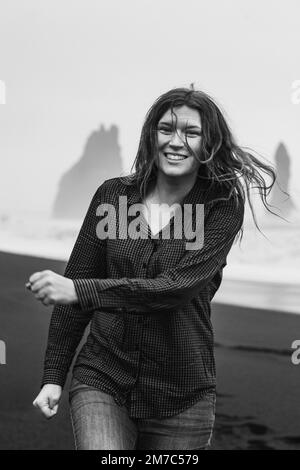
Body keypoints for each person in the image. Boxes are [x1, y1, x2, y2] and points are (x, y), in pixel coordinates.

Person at [28, 86, 283, 450]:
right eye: (166, 129)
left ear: (208, 143)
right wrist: (53, 376)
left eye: (191, 132)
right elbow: (77, 286)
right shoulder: (112, 197)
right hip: (102, 377)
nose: (176, 142)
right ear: (152, 135)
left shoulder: (222, 205)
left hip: (182, 395)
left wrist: (80, 290)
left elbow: (176, 288)